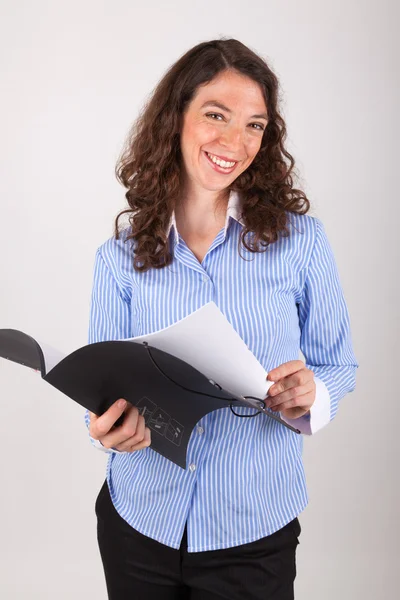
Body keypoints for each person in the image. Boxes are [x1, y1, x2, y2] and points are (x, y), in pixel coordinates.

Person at [85, 38, 359, 600]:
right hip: (139, 523)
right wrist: (107, 431)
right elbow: (102, 385)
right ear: (174, 120)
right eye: (216, 115)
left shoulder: (301, 244)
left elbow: (339, 364)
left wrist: (313, 393)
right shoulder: (117, 257)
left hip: (253, 530)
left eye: (255, 126)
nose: (235, 143)